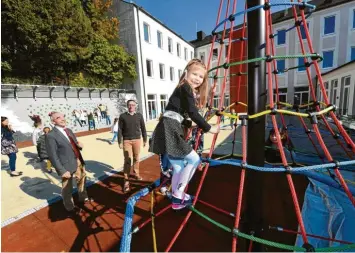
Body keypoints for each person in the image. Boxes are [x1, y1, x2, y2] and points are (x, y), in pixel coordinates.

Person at [149, 59, 219, 210]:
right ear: (186, 73)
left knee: (179, 167)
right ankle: (178, 194)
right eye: (195, 74)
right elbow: (192, 112)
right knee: (194, 159)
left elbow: (175, 112)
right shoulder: (185, 87)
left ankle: (176, 199)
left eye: (201, 77)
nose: (197, 79)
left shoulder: (182, 90)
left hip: (168, 126)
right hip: (169, 127)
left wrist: (189, 123)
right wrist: (208, 128)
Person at [46, 112, 92, 214]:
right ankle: (70, 207)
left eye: (63, 117)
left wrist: (79, 145)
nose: (62, 119)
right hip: (65, 165)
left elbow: (74, 144)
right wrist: (61, 170)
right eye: (58, 118)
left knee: (82, 180)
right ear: (53, 121)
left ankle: (83, 197)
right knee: (67, 187)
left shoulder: (69, 131)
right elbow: (52, 155)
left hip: (77, 160)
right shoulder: (51, 135)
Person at [118, 100, 147, 193]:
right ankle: (126, 180)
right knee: (127, 160)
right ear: (127, 106)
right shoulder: (122, 116)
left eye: (133, 105)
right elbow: (119, 130)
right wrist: (120, 141)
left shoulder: (139, 116)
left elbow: (143, 128)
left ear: (135, 106)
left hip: (137, 140)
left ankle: (136, 173)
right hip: (127, 140)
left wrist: (145, 139)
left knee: (136, 158)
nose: (131, 106)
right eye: (129, 105)